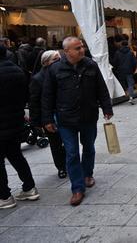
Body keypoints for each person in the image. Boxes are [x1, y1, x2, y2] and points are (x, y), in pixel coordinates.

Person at [42, 37, 113, 206]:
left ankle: (87, 174)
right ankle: (77, 188)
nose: (82, 50)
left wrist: (107, 108)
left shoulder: (90, 65)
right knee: (72, 153)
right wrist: (47, 118)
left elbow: (101, 88)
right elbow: (47, 96)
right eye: (77, 48)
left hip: (88, 115)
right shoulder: (55, 69)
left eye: (82, 47)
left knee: (88, 147)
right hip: (66, 118)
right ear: (67, 52)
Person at [0, 45, 39, 209]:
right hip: (15, 120)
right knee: (16, 155)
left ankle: (4, 196)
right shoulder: (17, 70)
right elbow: (25, 95)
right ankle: (29, 187)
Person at [29, 50, 67, 178]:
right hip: (50, 116)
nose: (59, 62)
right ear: (45, 63)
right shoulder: (38, 79)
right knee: (56, 143)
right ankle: (61, 167)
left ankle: (71, 163)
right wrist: (36, 122)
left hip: (65, 114)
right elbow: (34, 102)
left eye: (59, 59)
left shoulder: (63, 73)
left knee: (69, 141)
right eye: (55, 60)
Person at [112, 40, 137, 104]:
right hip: (129, 70)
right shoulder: (131, 53)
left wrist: (116, 69)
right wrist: (133, 70)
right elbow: (134, 62)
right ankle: (131, 97)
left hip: (120, 71)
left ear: (121, 45)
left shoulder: (117, 52)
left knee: (122, 83)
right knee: (130, 84)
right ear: (127, 45)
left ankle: (125, 93)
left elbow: (115, 62)